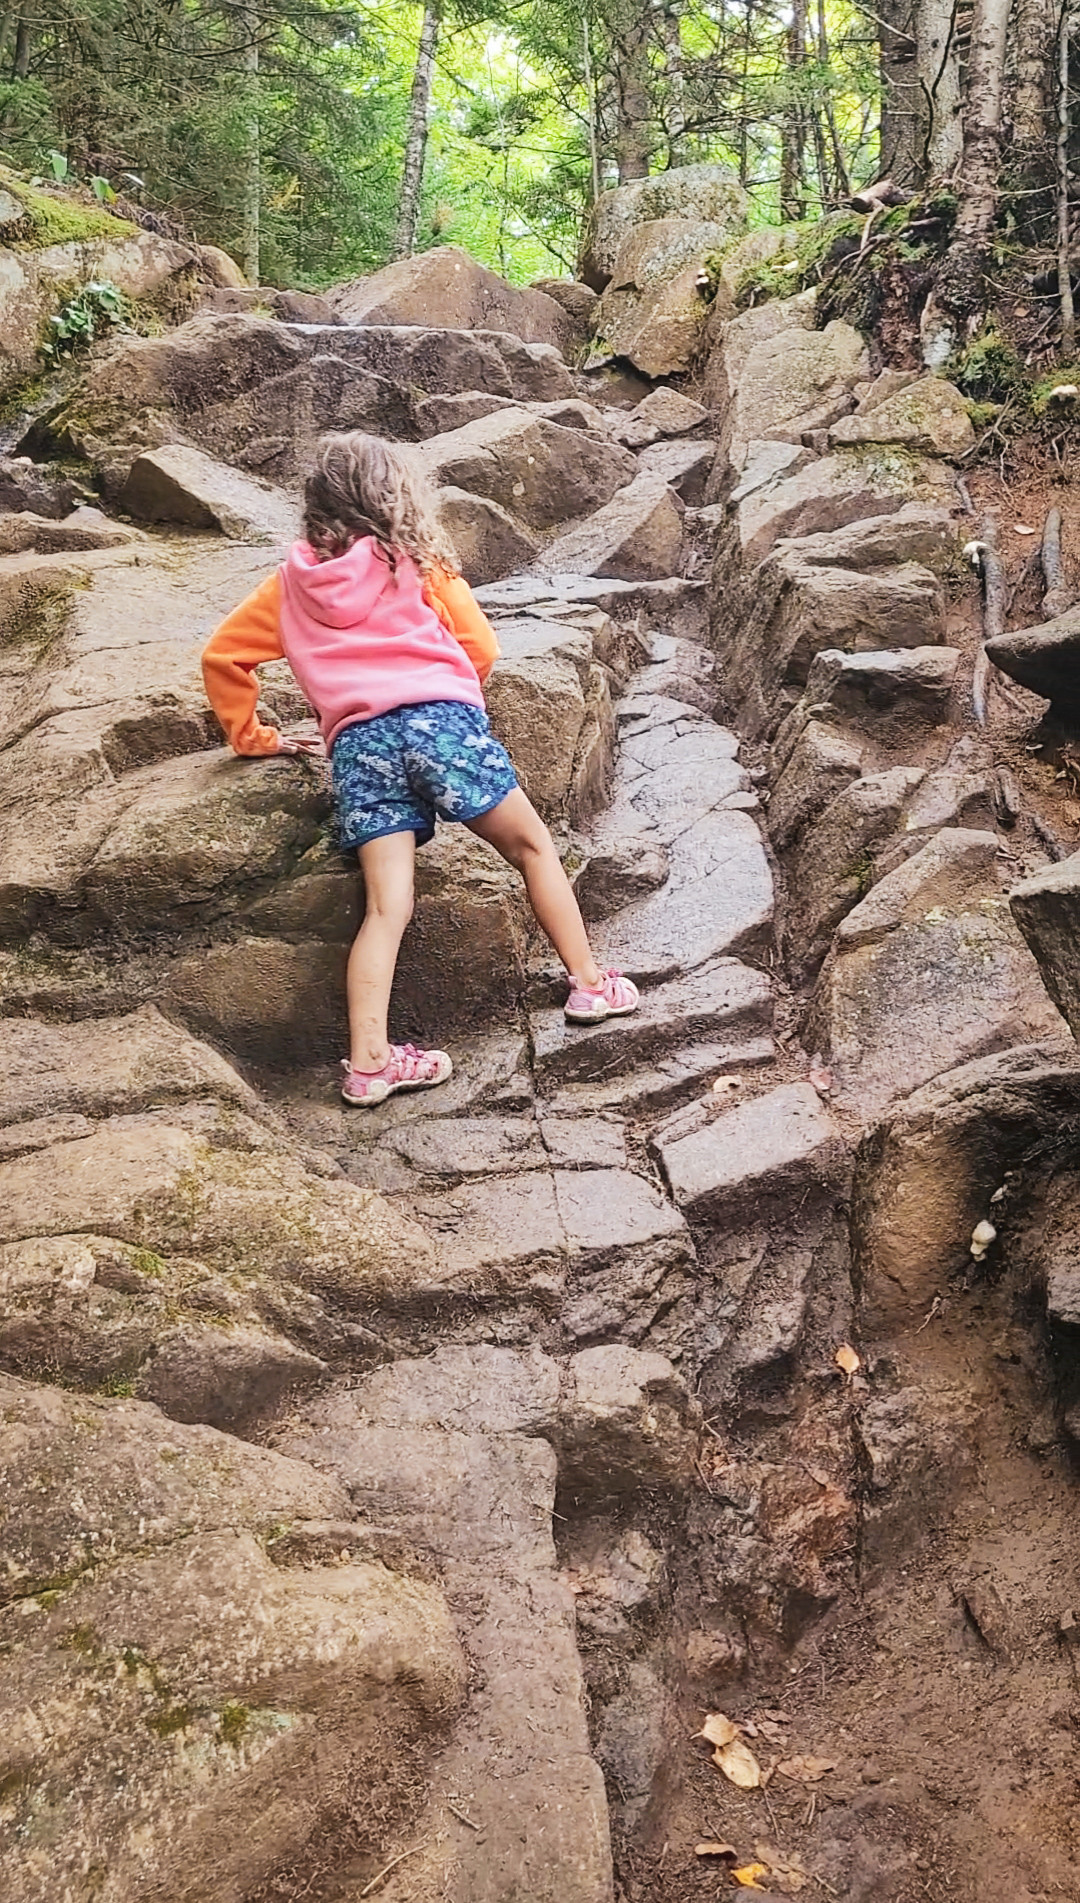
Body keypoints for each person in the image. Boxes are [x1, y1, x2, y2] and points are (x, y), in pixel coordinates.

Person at [201, 429, 639, 1106]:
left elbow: (222, 658)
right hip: (440, 722)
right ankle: (589, 984)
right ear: (393, 494)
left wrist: (253, 735)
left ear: (316, 507)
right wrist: (452, 697)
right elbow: (481, 646)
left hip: (358, 747)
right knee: (530, 847)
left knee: (385, 905)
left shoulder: (287, 585)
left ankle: (370, 1063)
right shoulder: (415, 560)